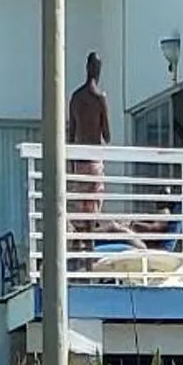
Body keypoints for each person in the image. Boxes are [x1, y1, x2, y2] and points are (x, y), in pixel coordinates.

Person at [67, 51, 112, 233]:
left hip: (79, 162)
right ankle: (90, 250)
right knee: (93, 210)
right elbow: (107, 135)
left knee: (82, 210)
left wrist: (71, 164)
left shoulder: (76, 98)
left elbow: (71, 135)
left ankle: (84, 249)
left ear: (87, 68)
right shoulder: (100, 98)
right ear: (98, 70)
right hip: (94, 160)